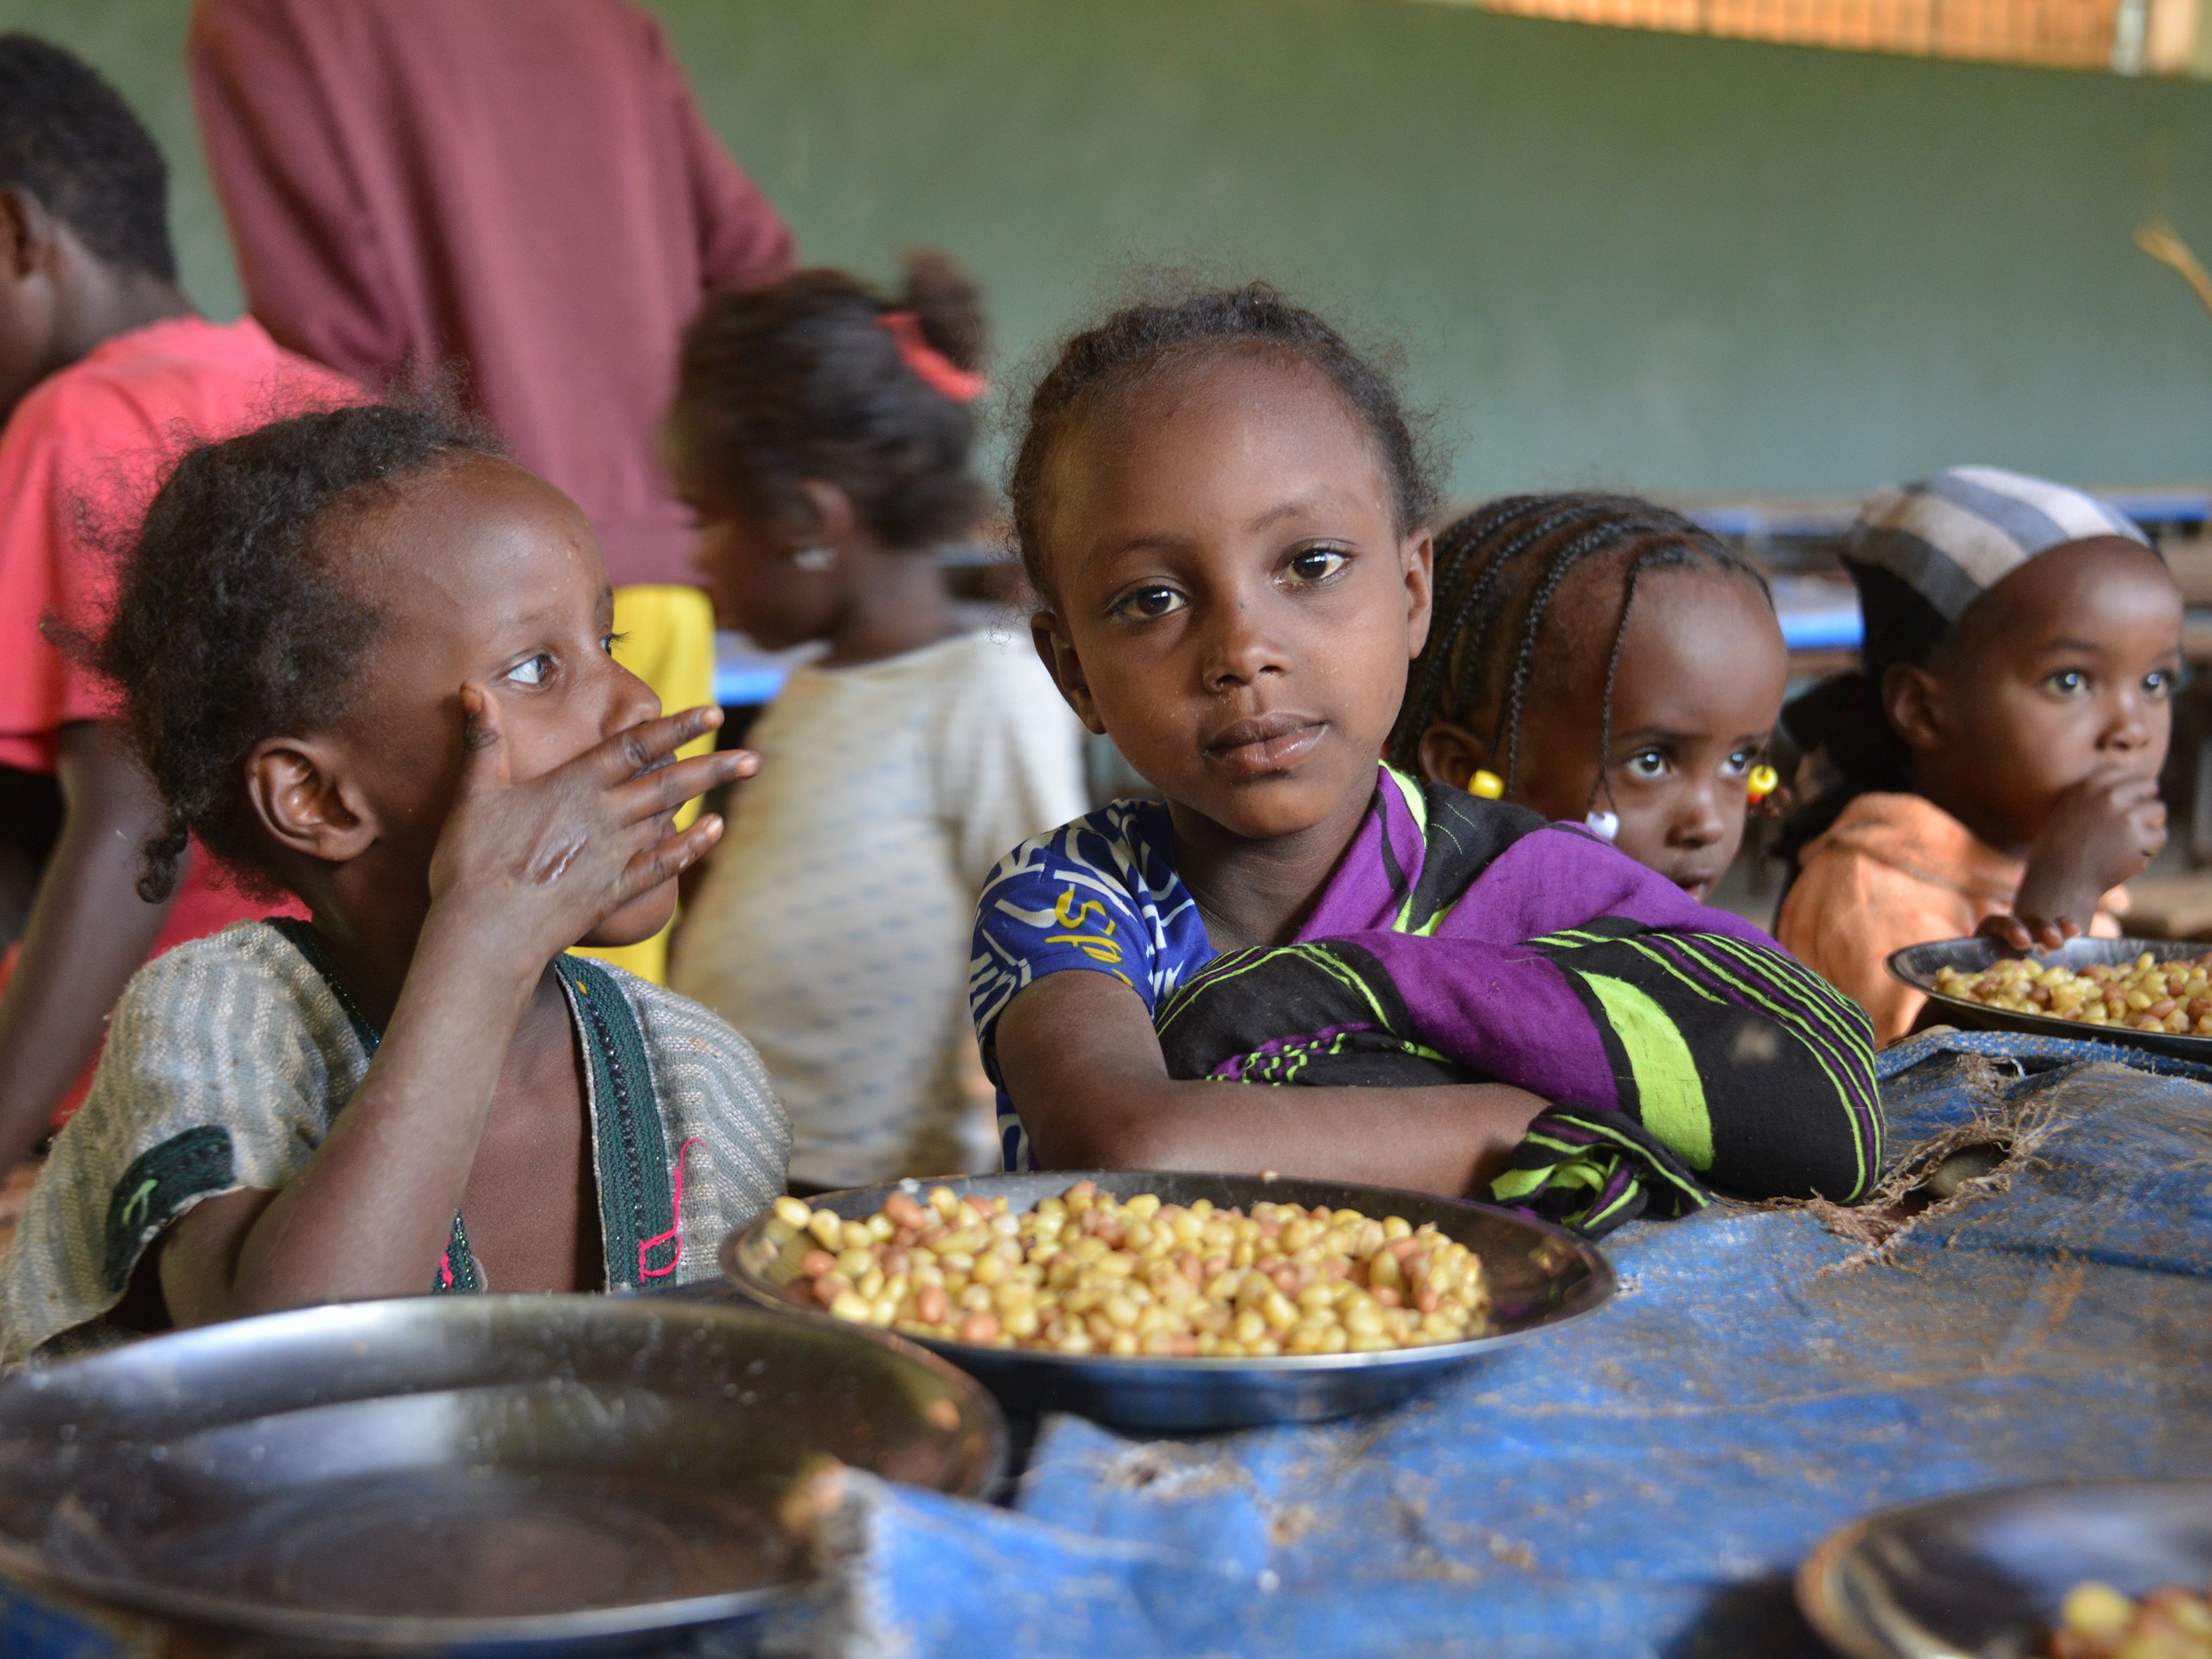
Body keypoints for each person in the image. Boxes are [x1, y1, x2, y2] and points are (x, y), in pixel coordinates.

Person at [969, 283, 1880, 1240]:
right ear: (1072, 670)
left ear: (1411, 592)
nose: (1243, 649)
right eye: (1151, 599)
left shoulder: (1522, 874)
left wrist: (1389, 1016)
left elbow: (1817, 1095)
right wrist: (1515, 1122)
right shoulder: (1067, 898)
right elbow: (1125, 1149)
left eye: (1310, 565)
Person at [0, 403, 789, 1364]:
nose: (636, 703)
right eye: (538, 666)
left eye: (610, 645)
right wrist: (485, 940)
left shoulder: (693, 1077)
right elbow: (282, 1366)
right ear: (318, 799)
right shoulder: (222, 1015)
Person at [189, 0, 796, 981]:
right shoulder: (602, 19)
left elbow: (330, 338)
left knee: (459, 982)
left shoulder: (274, 20)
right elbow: (751, 264)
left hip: (441, 599)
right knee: (612, 1005)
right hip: (652, 569)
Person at [0, 34, 356, 1173]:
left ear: (14, 235)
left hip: (152, 1095)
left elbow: (128, 822)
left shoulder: (78, 422)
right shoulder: (314, 396)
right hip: (332, 1062)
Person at [665, 256, 1087, 1190]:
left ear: (806, 521)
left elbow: (1060, 954)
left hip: (890, 1203)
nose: (698, 556)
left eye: (711, 518)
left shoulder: (983, 695)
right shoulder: (813, 689)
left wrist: (995, 1195)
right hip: (747, 1185)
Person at [1776, 466, 2180, 1042]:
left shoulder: (2048, 852)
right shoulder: (1868, 889)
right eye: (2069, 681)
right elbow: (1937, 1098)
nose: (2130, 729)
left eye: (2155, 682)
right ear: (1923, 709)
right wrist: (2060, 900)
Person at [1386, 493, 1788, 904]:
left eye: (1739, 761)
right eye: (1650, 762)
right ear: (1464, 773)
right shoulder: (1421, 962)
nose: (1708, 824)